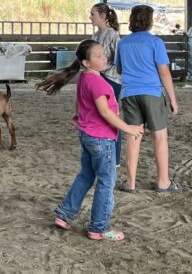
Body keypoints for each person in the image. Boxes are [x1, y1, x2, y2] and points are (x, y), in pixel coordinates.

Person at [36, 39, 143, 241]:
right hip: (102, 139)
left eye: (103, 54)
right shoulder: (98, 81)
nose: (104, 58)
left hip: (88, 136)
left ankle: (64, 214)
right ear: (86, 62)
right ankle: (99, 227)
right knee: (106, 182)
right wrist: (128, 128)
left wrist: (79, 117)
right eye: (98, 56)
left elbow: (80, 101)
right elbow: (104, 112)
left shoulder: (85, 78)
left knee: (86, 175)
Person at [115, 5, 181, 193]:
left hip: (129, 93)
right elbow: (164, 73)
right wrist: (173, 100)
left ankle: (131, 183)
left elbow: (119, 69)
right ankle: (163, 182)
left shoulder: (123, 43)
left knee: (133, 136)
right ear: (150, 21)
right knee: (159, 136)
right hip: (151, 93)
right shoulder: (155, 42)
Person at [89, 2, 123, 165]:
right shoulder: (95, 36)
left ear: (102, 16)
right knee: (99, 115)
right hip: (98, 78)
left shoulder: (113, 35)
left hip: (111, 79)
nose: (90, 17)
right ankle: (103, 151)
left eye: (93, 14)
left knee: (110, 115)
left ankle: (115, 155)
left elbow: (119, 60)